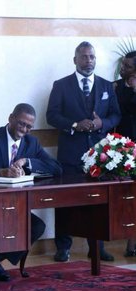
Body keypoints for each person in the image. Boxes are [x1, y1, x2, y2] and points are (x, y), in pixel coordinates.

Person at [0, 103, 62, 285]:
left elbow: (56, 168)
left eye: (29, 127)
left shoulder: (31, 142)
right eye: (21, 124)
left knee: (36, 227)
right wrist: (0, 172)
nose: (24, 130)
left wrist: (28, 161)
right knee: (8, 226)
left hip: (16, 205)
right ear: (11, 118)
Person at [46, 41, 121, 263]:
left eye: (92, 57)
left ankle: (96, 247)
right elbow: (52, 116)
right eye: (85, 57)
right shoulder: (61, 85)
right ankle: (63, 247)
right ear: (75, 60)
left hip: (100, 155)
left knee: (97, 202)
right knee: (65, 201)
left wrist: (102, 124)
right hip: (70, 154)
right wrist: (75, 125)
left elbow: (116, 116)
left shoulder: (107, 86)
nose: (89, 61)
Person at [113, 51, 136, 257]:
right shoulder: (116, 87)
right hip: (124, 150)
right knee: (129, 197)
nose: (122, 68)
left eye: (127, 66)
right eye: (123, 64)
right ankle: (130, 244)